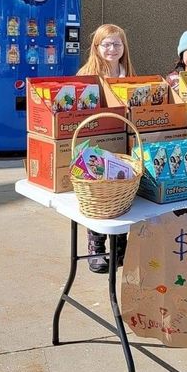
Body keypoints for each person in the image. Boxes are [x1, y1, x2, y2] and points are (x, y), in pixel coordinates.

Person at [77, 24, 135, 273]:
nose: (112, 49)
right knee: (99, 194)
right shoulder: (86, 75)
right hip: (97, 141)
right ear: (97, 48)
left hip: (122, 141)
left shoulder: (129, 74)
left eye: (117, 44)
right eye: (107, 44)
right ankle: (96, 246)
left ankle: (120, 247)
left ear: (124, 47)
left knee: (121, 191)